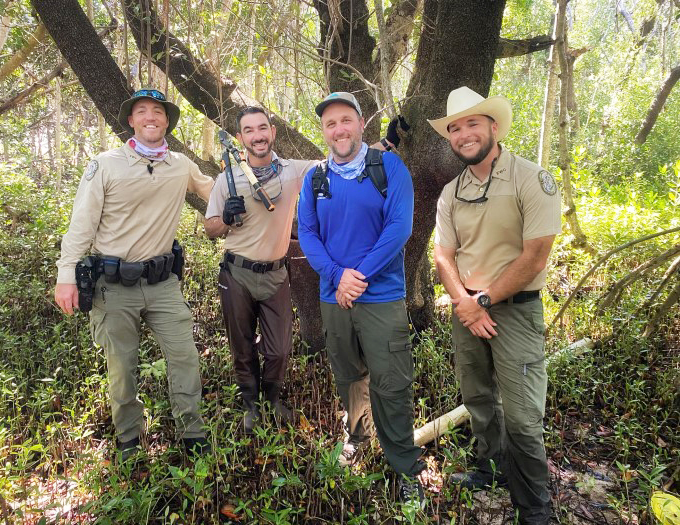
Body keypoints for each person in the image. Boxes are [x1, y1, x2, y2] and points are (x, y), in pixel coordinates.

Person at [54, 88, 213, 463]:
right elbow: (82, 223)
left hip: (162, 284)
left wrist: (253, 182)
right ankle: (128, 436)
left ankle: (192, 429)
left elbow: (215, 190)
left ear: (167, 121)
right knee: (122, 368)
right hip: (113, 288)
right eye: (142, 111)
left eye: (158, 111)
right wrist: (66, 275)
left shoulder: (180, 164)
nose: (150, 117)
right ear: (131, 120)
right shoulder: (106, 164)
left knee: (185, 357)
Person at [429, 86, 561, 525]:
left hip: (515, 311)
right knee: (478, 397)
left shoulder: (530, 178)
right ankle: (490, 468)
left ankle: (535, 509)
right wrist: (465, 302)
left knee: (523, 416)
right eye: (455, 128)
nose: (463, 134)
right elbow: (443, 256)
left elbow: (535, 256)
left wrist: (482, 300)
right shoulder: (451, 192)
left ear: (494, 127)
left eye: (471, 124)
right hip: (466, 310)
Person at [298, 92, 426, 505]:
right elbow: (308, 234)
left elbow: (399, 227)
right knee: (348, 373)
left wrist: (360, 276)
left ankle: (406, 466)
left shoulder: (388, 167)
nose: (339, 129)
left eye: (346, 120)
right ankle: (357, 436)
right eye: (331, 123)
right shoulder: (315, 178)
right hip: (334, 297)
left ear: (360, 124)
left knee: (391, 382)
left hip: (381, 296)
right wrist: (338, 276)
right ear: (324, 130)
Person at [204, 107, 317, 433]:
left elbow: (337, 163)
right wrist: (225, 217)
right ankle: (251, 403)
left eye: (263, 127)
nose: (258, 135)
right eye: (249, 130)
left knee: (280, 349)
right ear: (241, 139)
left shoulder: (293, 171)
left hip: (276, 274)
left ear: (273, 132)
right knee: (242, 345)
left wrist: (384, 144)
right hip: (236, 273)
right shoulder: (227, 178)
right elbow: (209, 228)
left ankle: (272, 397)